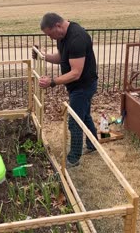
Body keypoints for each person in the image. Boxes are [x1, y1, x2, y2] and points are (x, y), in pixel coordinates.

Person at [33, 12, 98, 168]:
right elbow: (62, 57)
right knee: (84, 115)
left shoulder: (77, 38)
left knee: (74, 121)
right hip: (79, 86)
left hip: (83, 86)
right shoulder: (62, 37)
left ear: (58, 26)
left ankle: (74, 158)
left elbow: (76, 73)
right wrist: (43, 56)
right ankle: (93, 144)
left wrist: (52, 82)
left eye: (50, 34)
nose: (50, 38)